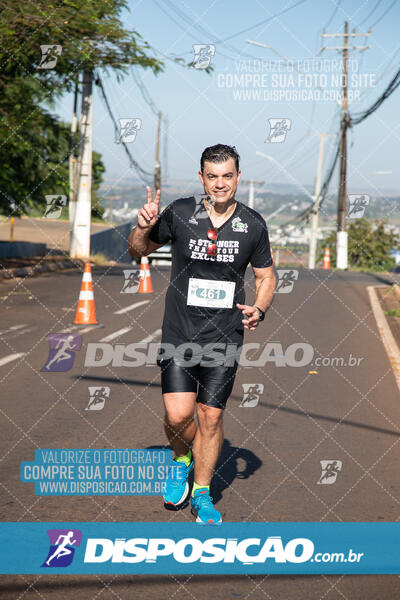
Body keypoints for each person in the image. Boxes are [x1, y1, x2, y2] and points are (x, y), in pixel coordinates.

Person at [128, 144, 276, 525]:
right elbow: (138, 251)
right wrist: (142, 227)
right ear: (202, 178)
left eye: (228, 175)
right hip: (180, 333)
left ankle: (203, 494)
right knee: (178, 416)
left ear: (238, 177)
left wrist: (259, 307)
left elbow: (266, 276)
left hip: (224, 337)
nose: (220, 183)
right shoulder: (180, 212)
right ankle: (181, 458)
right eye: (213, 176)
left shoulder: (253, 224)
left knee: (210, 417)